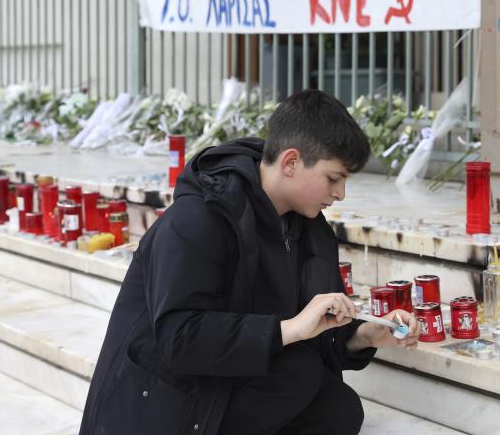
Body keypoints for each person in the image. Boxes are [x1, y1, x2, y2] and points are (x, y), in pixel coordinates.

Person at [79, 89, 418, 435]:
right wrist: (289, 329)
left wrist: (364, 334)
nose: (340, 194)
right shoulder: (198, 218)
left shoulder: (308, 229)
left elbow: (317, 327)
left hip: (225, 378)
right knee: (299, 375)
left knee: (336, 408)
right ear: (290, 162)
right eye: (333, 178)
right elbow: (179, 338)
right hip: (158, 398)